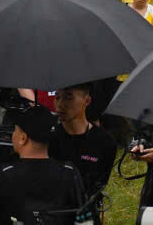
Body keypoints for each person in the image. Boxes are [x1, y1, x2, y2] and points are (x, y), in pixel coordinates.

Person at [0, 104, 87, 225]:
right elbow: (85, 217)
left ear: (23, 138)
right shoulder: (69, 173)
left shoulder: (1, 175)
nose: (12, 135)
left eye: (15, 130)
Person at [49, 83, 116, 222]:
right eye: (57, 97)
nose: (60, 104)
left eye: (68, 97)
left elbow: (98, 184)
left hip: (85, 214)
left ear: (87, 101)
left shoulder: (105, 142)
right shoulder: (48, 138)